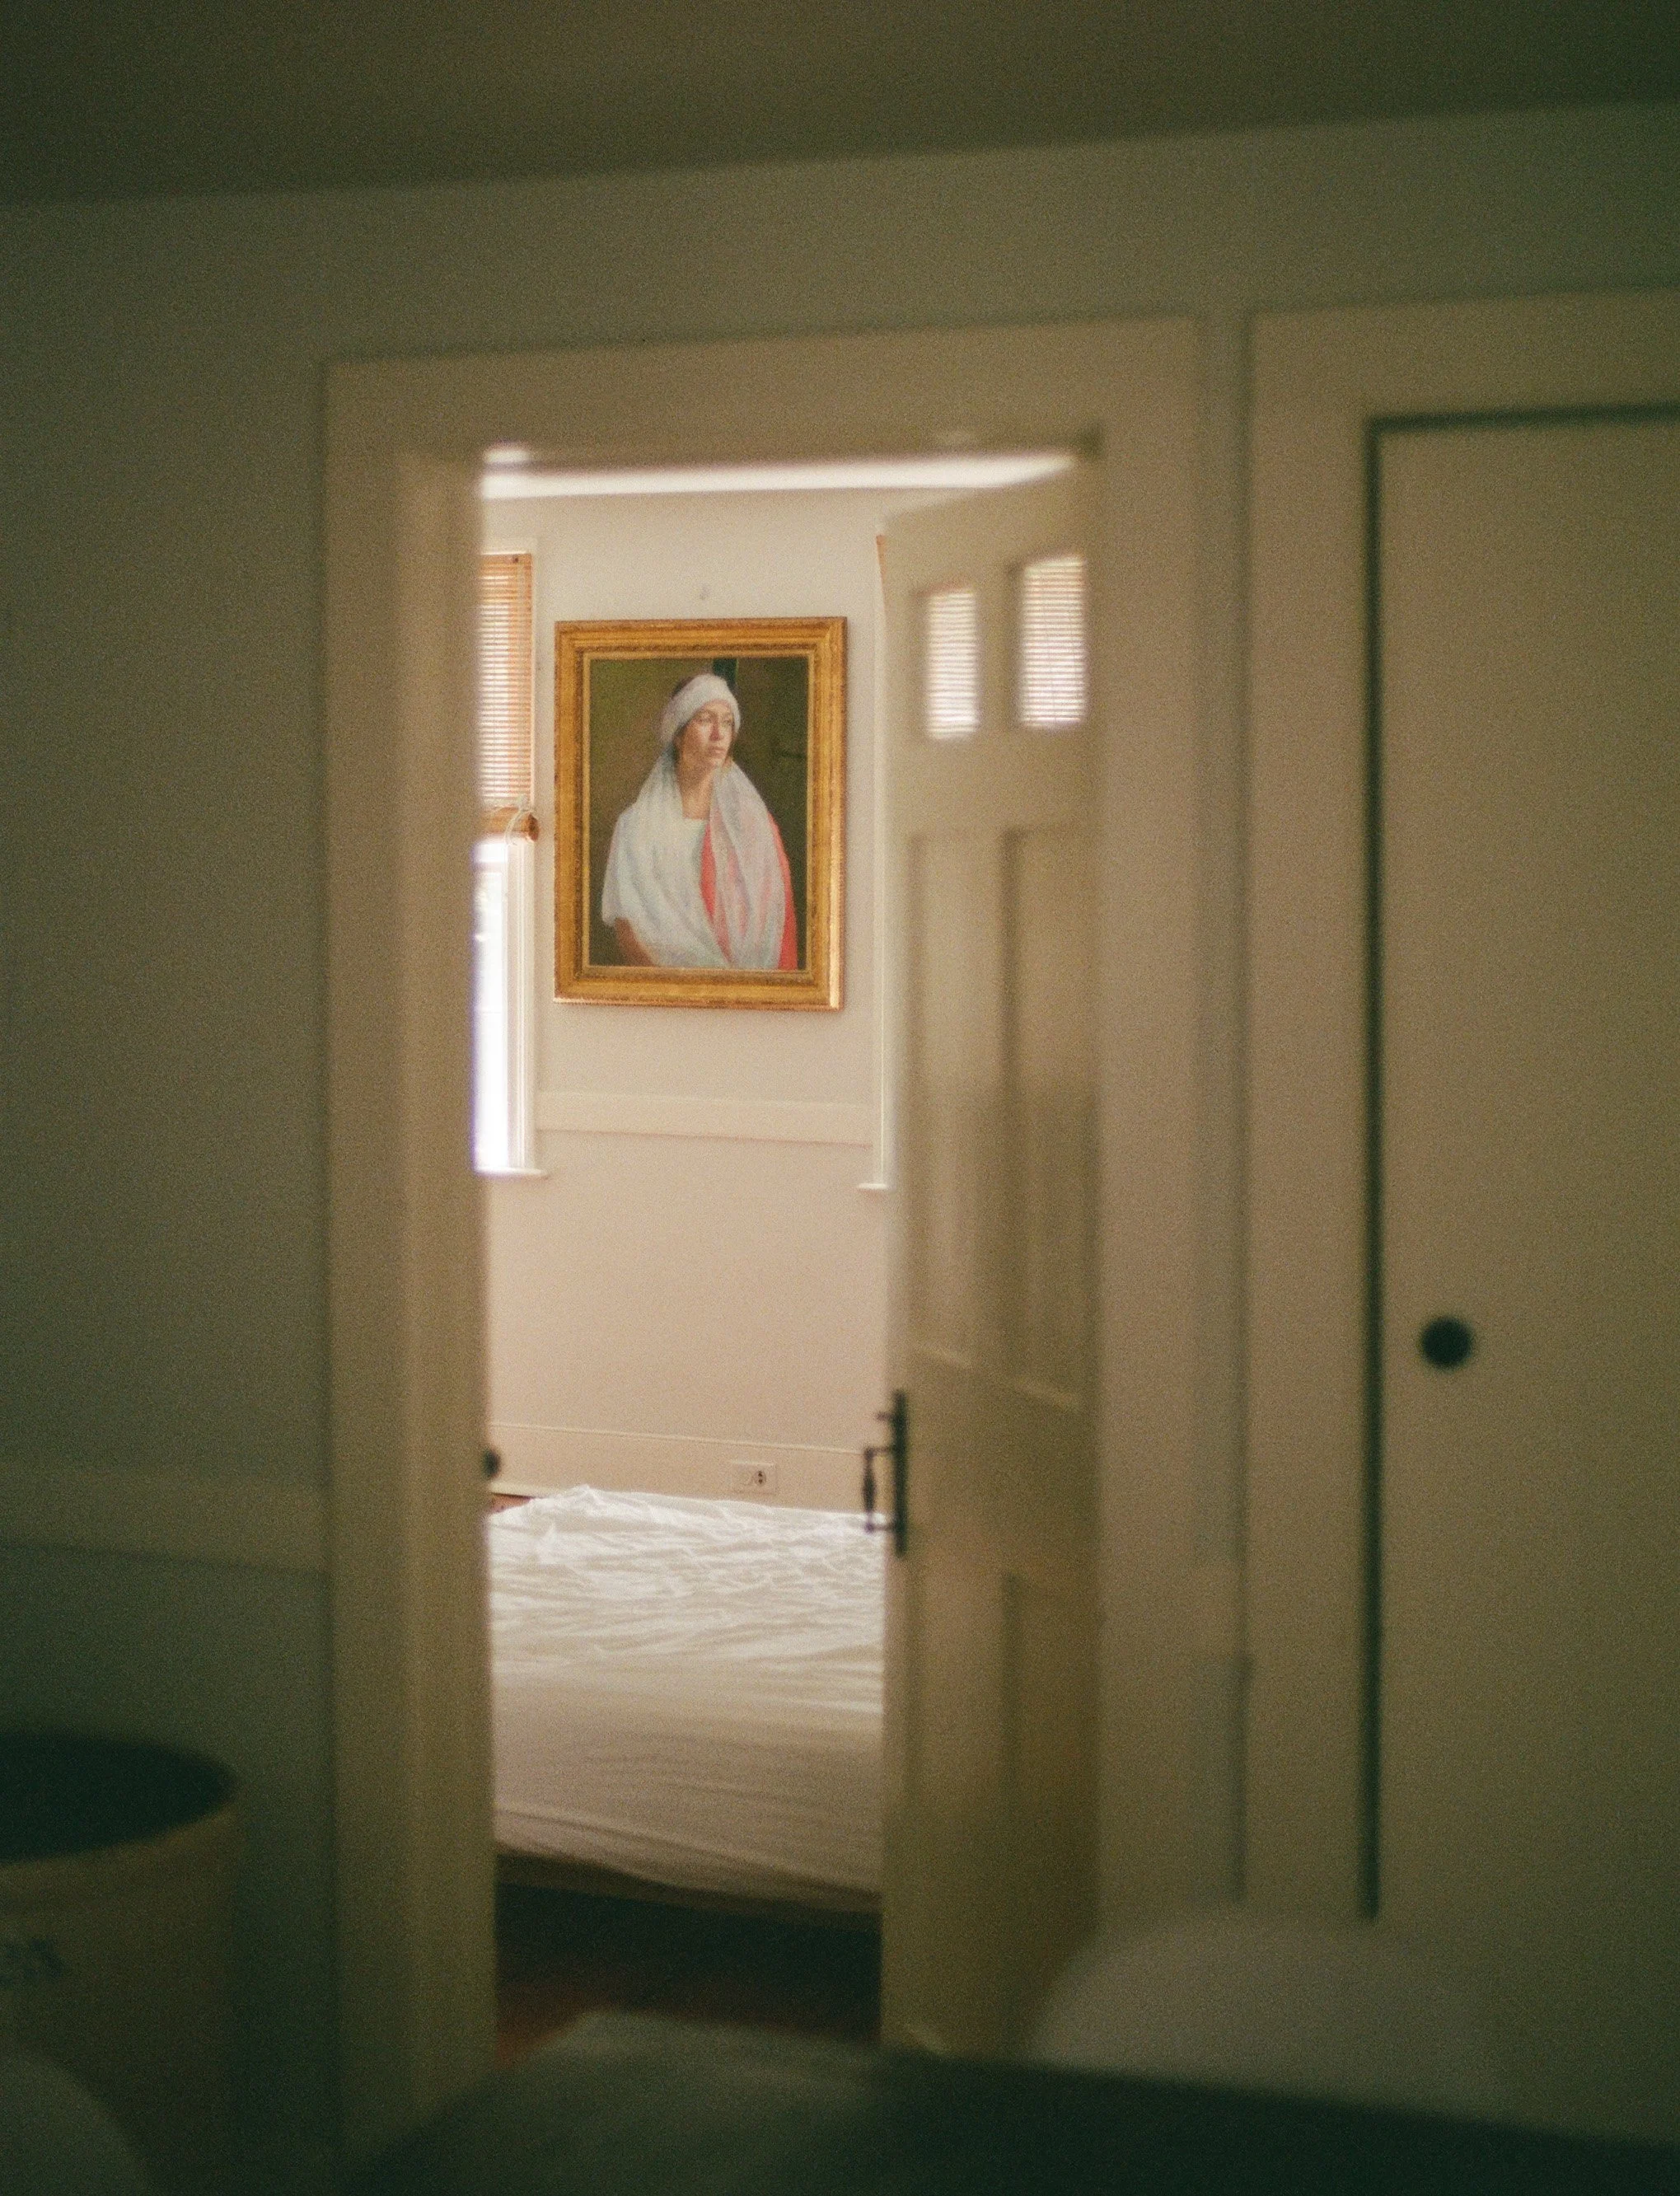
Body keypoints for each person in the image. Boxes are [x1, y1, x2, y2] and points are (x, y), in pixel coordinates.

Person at [601, 672, 798, 969]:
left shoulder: (753, 826)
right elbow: (628, 929)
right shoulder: (635, 827)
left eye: (728, 722)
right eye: (705, 719)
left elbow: (777, 923)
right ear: (679, 734)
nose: (719, 734)